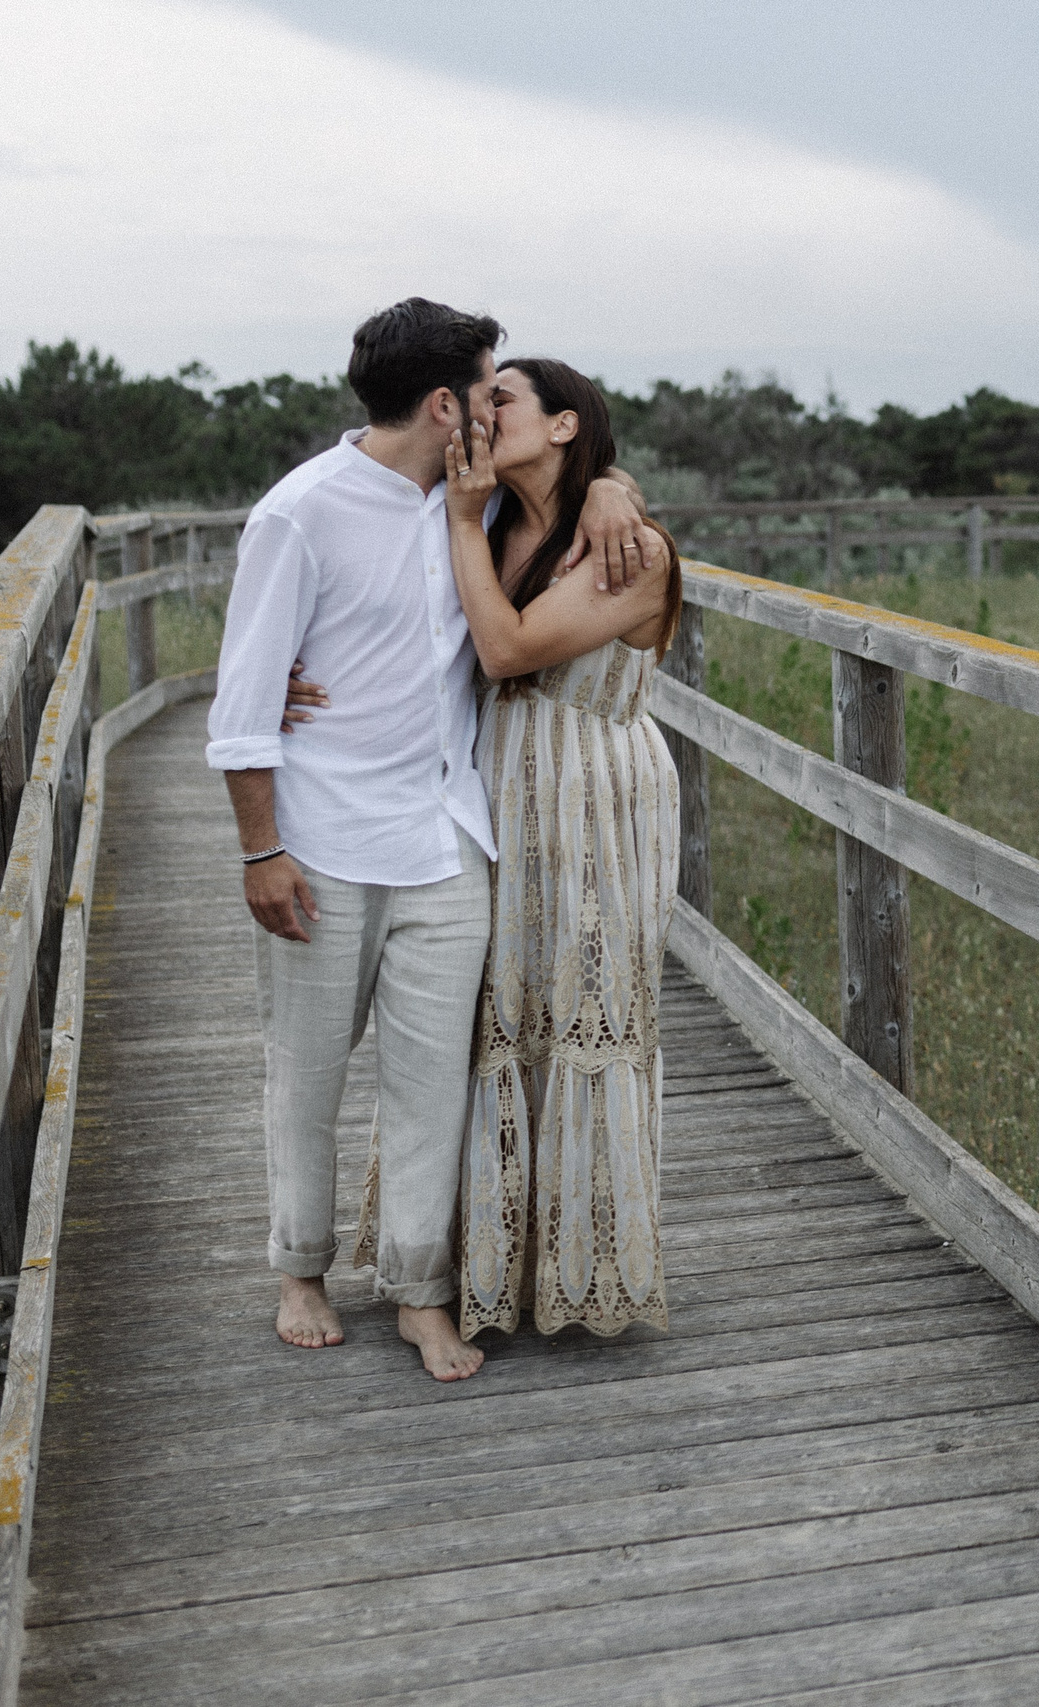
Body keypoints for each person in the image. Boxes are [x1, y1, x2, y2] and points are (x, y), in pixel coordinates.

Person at [206, 299, 658, 1381]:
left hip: (450, 836)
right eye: (488, 385)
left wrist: (610, 483)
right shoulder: (299, 513)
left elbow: (581, 472)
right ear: (446, 402)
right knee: (307, 1073)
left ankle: (419, 1290)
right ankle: (301, 1269)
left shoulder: (481, 503)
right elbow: (241, 707)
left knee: (431, 1083)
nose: (498, 403)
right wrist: (259, 851)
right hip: (319, 839)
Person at [413, 357, 683, 1340]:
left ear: (565, 425)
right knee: (502, 1007)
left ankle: (589, 1268)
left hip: (597, 797)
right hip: (502, 795)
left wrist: (611, 493)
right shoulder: (498, 524)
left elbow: (506, 651)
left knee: (585, 1000)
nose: (482, 414)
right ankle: (499, 1266)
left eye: (503, 400)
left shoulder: (628, 548)